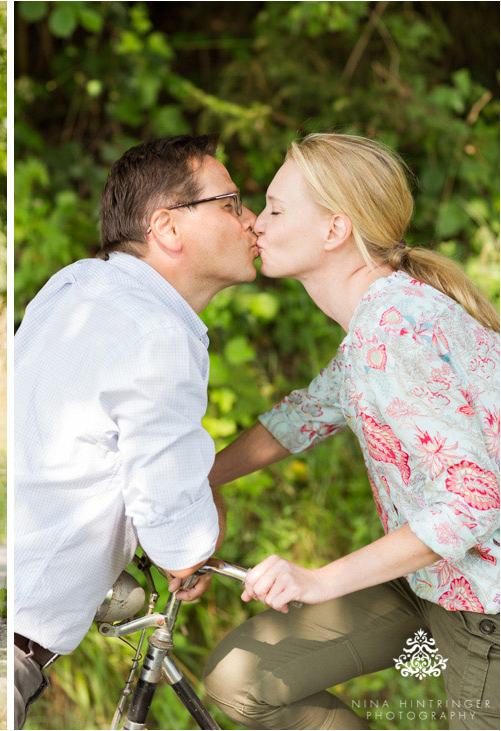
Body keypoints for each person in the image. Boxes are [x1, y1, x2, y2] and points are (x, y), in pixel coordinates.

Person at [202, 134, 500, 730]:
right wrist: (196, 482)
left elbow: (473, 503)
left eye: (276, 209)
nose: (256, 224)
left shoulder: (398, 328)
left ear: (335, 230)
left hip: (484, 604)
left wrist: (318, 580)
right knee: (242, 677)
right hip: (429, 579)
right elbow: (304, 415)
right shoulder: (375, 322)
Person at [14, 135, 261, 728]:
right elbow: (180, 536)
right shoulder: (157, 333)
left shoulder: (75, 285)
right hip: (17, 644)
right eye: (230, 203)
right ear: (168, 228)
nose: (251, 219)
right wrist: (198, 536)